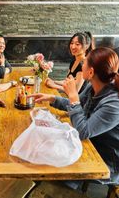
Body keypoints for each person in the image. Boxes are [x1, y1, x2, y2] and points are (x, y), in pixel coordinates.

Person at [30, 47, 119, 185]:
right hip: (88, 144)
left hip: (105, 159)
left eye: (84, 63)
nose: (82, 65)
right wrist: (51, 98)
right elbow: (76, 105)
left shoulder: (114, 104)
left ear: (91, 72)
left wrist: (72, 96)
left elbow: (83, 131)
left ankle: (63, 189)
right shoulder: (93, 85)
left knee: (51, 166)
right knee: (41, 147)